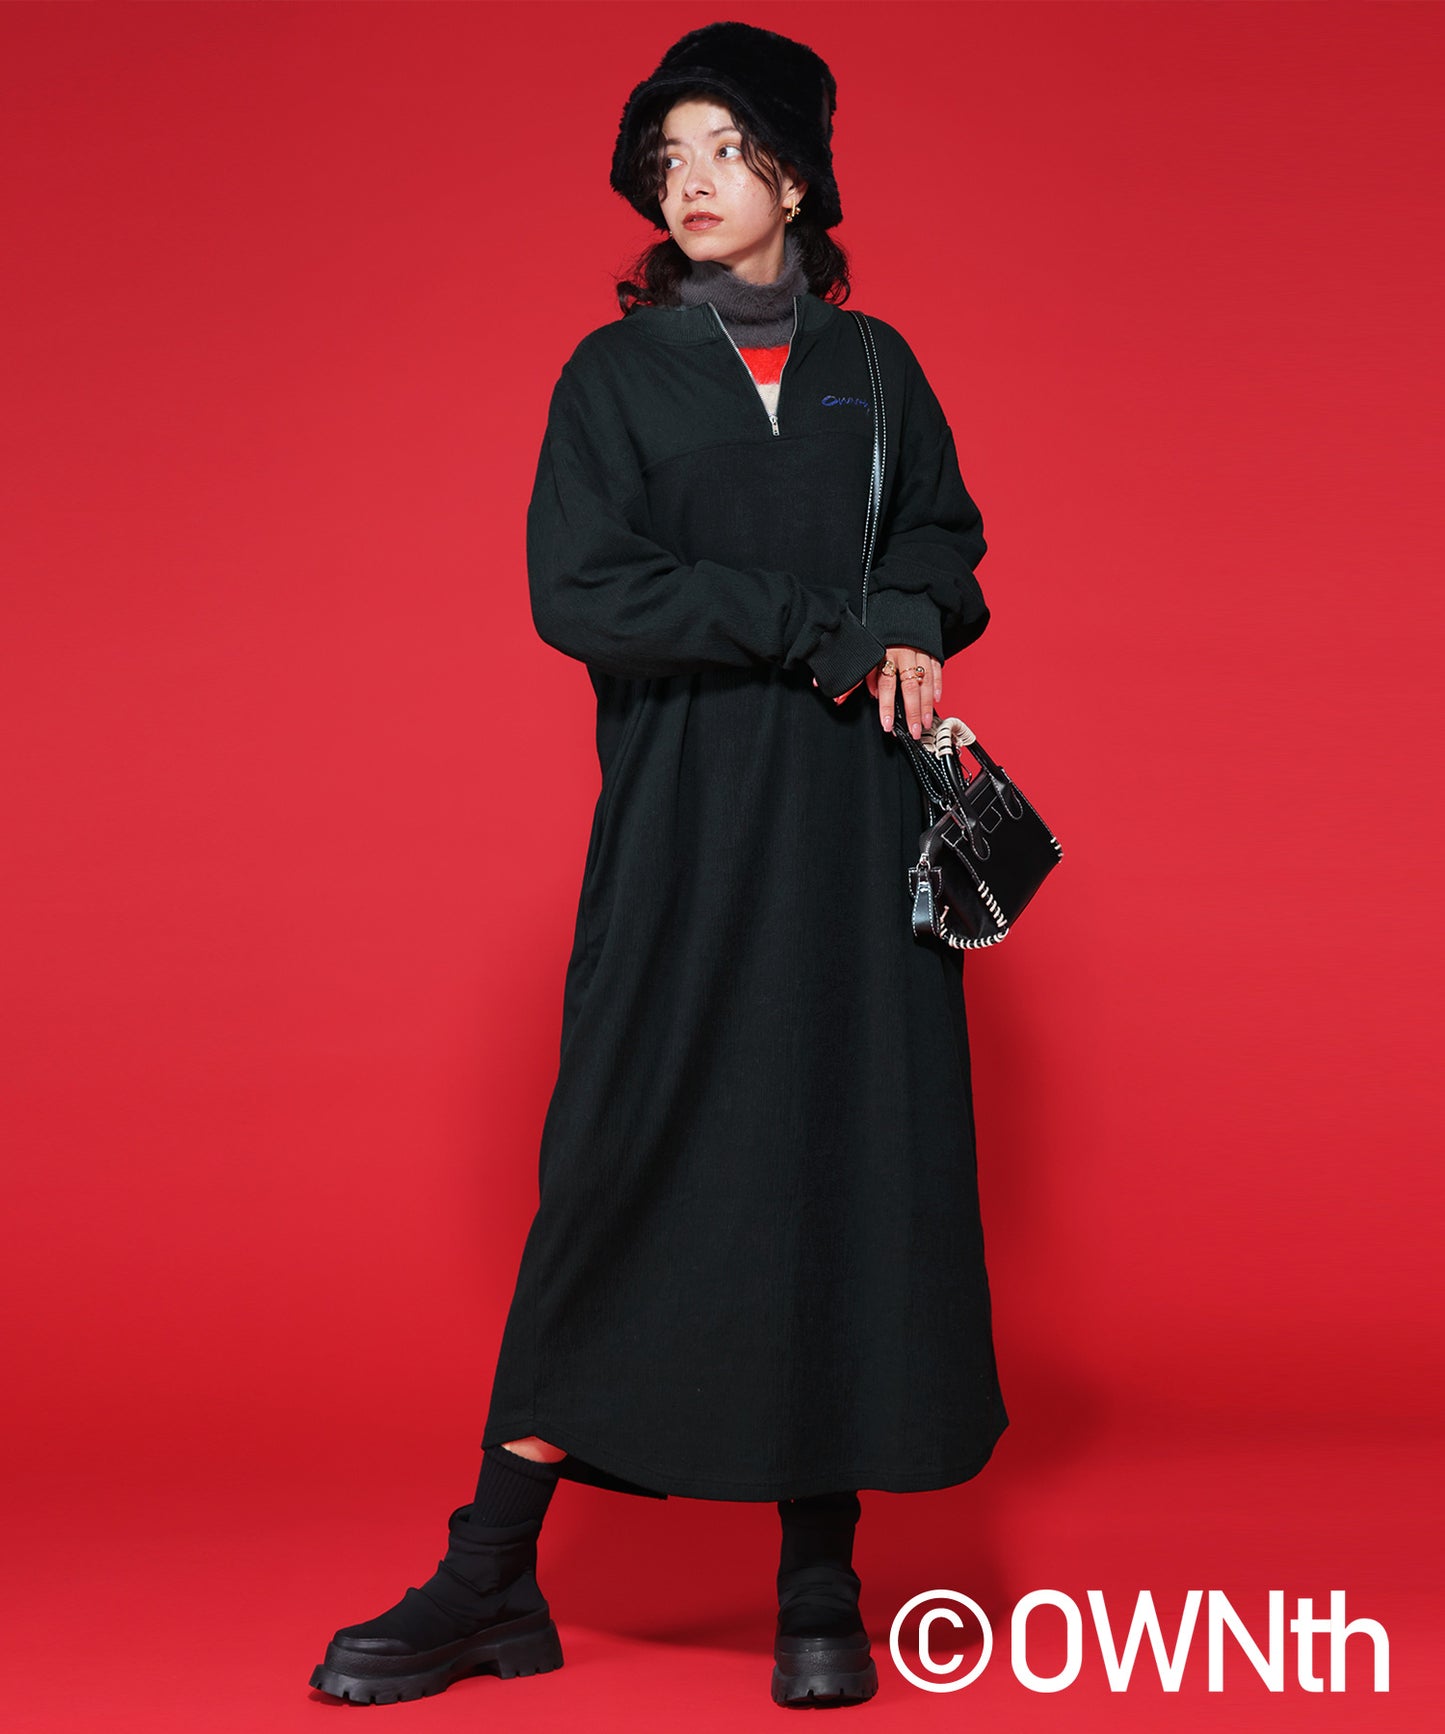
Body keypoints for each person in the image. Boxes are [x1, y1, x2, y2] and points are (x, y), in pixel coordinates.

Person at [309, 21, 1007, 1709]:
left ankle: (819, 1572)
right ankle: (491, 1569)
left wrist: (908, 618)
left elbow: (942, 539)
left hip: (855, 825)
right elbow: (585, 590)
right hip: (688, 819)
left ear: (796, 178)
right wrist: (812, 623)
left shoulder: (873, 366)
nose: (687, 182)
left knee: (841, 1155)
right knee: (620, 1160)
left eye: (721, 151)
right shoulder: (612, 377)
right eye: (666, 157)